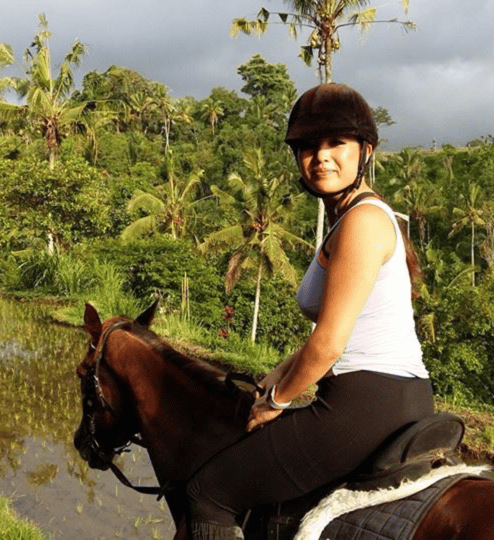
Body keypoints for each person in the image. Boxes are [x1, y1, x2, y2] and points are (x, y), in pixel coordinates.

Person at [184, 83, 434, 540]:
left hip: (366, 402)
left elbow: (329, 345)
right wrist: (279, 373)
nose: (321, 157)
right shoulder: (359, 217)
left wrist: (275, 403)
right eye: (308, 147)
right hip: (400, 396)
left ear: (365, 151)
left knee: (208, 491)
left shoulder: (361, 222)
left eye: (336, 143)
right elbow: (337, 329)